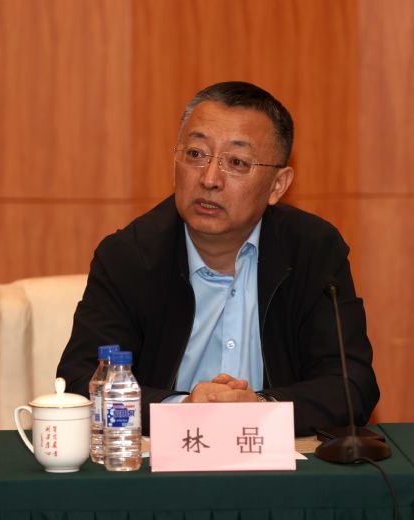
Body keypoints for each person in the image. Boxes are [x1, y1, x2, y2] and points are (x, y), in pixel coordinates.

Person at [57, 81, 379, 436]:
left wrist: (260, 408)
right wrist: (181, 410)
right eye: (196, 154)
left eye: (237, 162)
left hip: (272, 458)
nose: (209, 179)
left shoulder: (312, 250)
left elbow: (352, 385)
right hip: (164, 460)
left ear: (277, 185)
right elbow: (82, 382)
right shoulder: (129, 256)